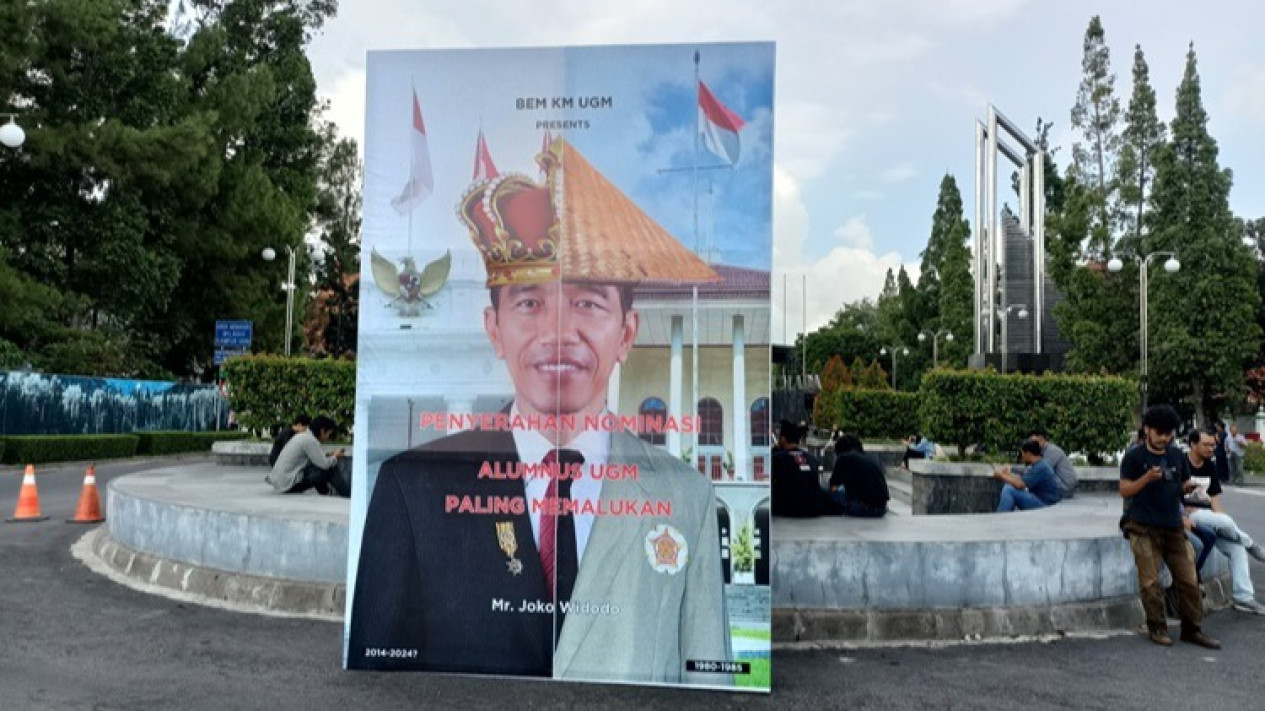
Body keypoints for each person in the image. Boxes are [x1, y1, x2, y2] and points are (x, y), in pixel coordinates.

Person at [347, 138, 731, 685]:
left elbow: (707, 680)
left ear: (626, 333)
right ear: (494, 328)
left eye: (587, 302)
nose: (557, 334)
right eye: (529, 302)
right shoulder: (411, 489)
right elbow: (376, 687)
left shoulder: (685, 496)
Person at [1119, 404, 1219, 648]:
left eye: (1169, 433)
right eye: (1159, 433)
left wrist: (1187, 487)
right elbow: (1124, 490)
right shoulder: (1134, 457)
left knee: (1188, 580)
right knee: (1150, 583)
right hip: (1142, 527)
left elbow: (1181, 482)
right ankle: (1157, 627)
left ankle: (1192, 629)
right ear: (1147, 430)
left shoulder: (1176, 455)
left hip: (1173, 527)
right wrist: (1146, 479)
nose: (1164, 438)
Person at [1183, 429, 1265, 615]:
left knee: (1236, 548)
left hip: (1209, 517)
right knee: (1215, 519)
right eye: (1206, 445)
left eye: (1213, 445)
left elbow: (1215, 500)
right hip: (1189, 516)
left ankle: (1243, 597)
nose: (1211, 448)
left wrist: (1222, 521)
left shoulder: (1210, 466)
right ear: (1193, 444)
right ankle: (1252, 545)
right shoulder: (1181, 463)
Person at [771, 420, 841, 518]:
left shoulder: (776, 458)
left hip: (789, 509)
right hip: (813, 508)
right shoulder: (812, 458)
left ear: (782, 439)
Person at [266, 415, 348, 497]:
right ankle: (346, 493)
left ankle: (326, 492)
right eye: (329, 434)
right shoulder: (310, 440)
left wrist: (329, 454)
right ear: (322, 431)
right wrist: (335, 456)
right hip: (288, 484)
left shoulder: (303, 436)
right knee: (329, 468)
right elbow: (325, 465)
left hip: (281, 482)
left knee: (318, 465)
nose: (327, 438)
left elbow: (314, 457)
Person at [827, 433, 889, 517]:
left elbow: (833, 486)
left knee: (827, 491)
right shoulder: (871, 457)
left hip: (862, 508)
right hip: (881, 508)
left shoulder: (844, 458)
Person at [991, 440, 1062, 512]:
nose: (1022, 457)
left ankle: (1001, 516)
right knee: (1010, 486)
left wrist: (1001, 475)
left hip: (1045, 506)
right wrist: (1007, 474)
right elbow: (1022, 480)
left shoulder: (1041, 467)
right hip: (1044, 502)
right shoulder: (1040, 464)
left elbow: (1020, 484)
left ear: (1028, 453)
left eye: (1022, 454)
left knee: (1009, 489)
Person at [1026, 429, 1077, 498]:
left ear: (1042, 439)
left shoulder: (1052, 451)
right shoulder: (1041, 451)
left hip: (1065, 488)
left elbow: (1039, 470)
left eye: (1034, 442)